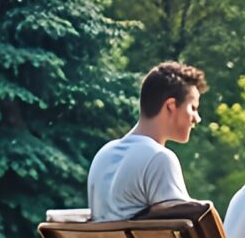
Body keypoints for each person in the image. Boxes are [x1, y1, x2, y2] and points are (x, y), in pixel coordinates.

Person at [87, 61, 207, 221]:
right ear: (171, 105)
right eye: (193, 108)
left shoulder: (103, 155)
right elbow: (185, 228)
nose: (197, 118)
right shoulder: (159, 158)